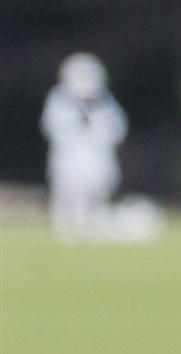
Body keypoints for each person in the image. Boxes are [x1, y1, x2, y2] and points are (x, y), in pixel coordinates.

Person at [41, 53, 129, 238]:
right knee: (67, 194)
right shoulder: (59, 100)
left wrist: (95, 124)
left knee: (97, 194)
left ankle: (93, 228)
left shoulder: (105, 102)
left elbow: (116, 129)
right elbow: (52, 127)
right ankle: (65, 229)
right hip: (69, 159)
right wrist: (75, 123)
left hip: (96, 159)